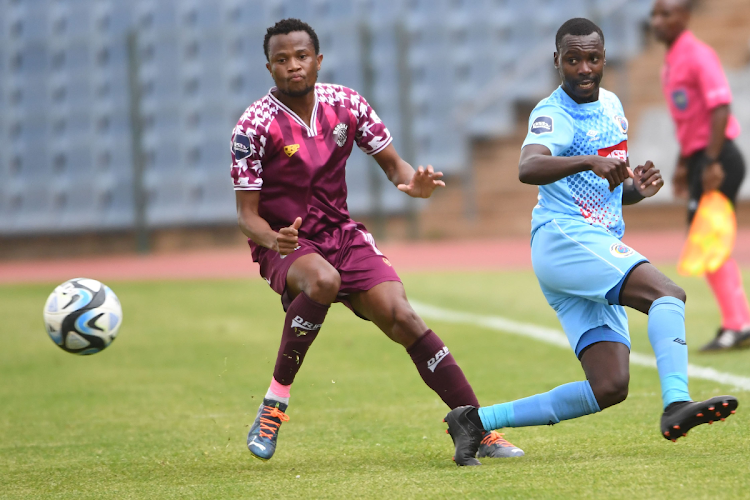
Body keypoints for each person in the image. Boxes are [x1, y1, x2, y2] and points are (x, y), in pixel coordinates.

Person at [443, 18, 738, 465]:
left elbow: (607, 190)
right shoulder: (551, 113)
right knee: (667, 294)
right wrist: (589, 162)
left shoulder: (613, 105)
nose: (584, 68)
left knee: (610, 386)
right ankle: (677, 403)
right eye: (573, 59)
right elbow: (528, 167)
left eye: (593, 58)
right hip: (564, 238)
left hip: (587, 244)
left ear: (604, 58)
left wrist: (636, 189)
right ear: (557, 61)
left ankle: (474, 421)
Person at [231, 18, 522, 462]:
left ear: (318, 60)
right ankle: (275, 404)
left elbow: (394, 165)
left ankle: (477, 428)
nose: (293, 66)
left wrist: (414, 184)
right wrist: (275, 241)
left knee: (403, 316)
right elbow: (247, 217)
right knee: (323, 282)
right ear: (268, 67)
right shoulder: (253, 126)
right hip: (286, 245)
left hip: (342, 234)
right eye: (282, 59)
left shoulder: (347, 104)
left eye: (302, 56)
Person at [651, 0, 750, 351]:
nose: (658, 20)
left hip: (718, 157)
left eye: (667, 14)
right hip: (699, 157)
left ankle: (738, 324)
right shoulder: (673, 59)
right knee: (706, 239)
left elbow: (720, 106)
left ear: (685, 17)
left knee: (708, 240)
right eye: (655, 14)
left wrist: (709, 163)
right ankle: (738, 323)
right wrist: (683, 164)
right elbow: (689, 120)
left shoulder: (697, 54)